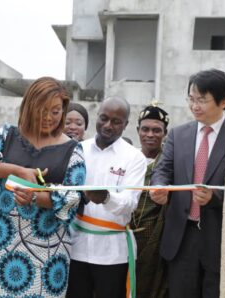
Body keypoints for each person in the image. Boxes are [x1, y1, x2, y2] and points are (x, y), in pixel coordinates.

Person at [0, 77, 86, 297]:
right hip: (0, 241)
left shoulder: (73, 149)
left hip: (48, 250)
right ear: (29, 106)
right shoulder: (6, 135)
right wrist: (18, 171)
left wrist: (36, 197)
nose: (48, 117)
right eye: (42, 110)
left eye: (56, 111)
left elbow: (72, 197)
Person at [150, 69, 225, 298]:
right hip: (182, 234)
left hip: (217, 235)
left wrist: (215, 197)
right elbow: (163, 169)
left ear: (224, 100)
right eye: (191, 99)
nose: (195, 106)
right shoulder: (178, 134)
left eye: (202, 100)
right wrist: (160, 187)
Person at [67, 97, 147, 298]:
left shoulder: (134, 157)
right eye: (104, 118)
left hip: (113, 253)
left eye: (116, 121)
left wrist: (106, 198)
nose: (108, 125)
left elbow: (130, 204)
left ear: (126, 124)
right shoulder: (78, 149)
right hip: (75, 245)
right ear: (97, 116)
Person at [130, 103, 170, 298]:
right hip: (125, 233)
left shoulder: (170, 162)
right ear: (138, 130)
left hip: (156, 235)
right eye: (145, 129)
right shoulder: (128, 158)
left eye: (157, 130)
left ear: (165, 133)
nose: (150, 134)